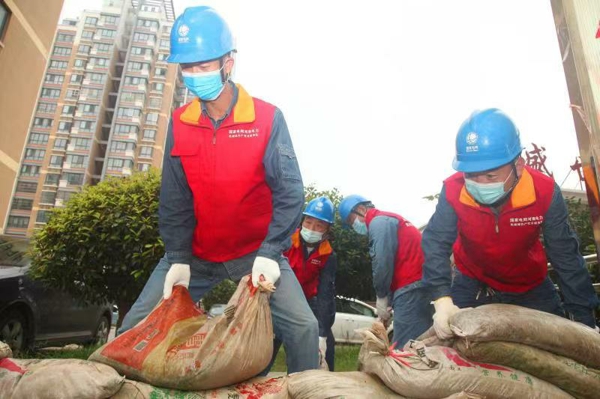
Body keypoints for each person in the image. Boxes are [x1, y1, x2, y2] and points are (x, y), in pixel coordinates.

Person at [118, 6, 320, 373]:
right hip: (195, 256)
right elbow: (174, 198)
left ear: (229, 63)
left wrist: (271, 252)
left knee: (304, 328)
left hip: (253, 253)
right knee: (132, 327)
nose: (195, 76)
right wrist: (178, 256)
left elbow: (290, 192)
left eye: (204, 65)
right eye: (187, 68)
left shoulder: (266, 118)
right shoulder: (180, 123)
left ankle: (309, 390)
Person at [422, 108, 599, 339]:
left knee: (556, 341)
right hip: (473, 281)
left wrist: (583, 318)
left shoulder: (543, 192)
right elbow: (436, 241)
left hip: (530, 285)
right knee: (453, 345)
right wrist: (442, 299)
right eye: (470, 175)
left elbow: (565, 255)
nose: (479, 183)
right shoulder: (453, 190)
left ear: (518, 166)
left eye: (490, 176)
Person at [338, 195, 433, 347]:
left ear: (361, 209)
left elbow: (382, 263)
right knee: (422, 345)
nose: (353, 226)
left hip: (410, 288)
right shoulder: (390, 219)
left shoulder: (378, 223)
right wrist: (389, 300)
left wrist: (381, 295)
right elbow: (395, 262)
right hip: (419, 286)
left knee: (404, 348)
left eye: (351, 221)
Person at [277, 196, 337, 370]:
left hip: (308, 301)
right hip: (280, 296)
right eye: (308, 222)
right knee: (270, 339)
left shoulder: (328, 254)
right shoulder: (286, 241)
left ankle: (325, 382)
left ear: (327, 230)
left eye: (319, 225)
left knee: (325, 342)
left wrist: (323, 334)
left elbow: (326, 293)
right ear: (302, 221)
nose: (312, 229)